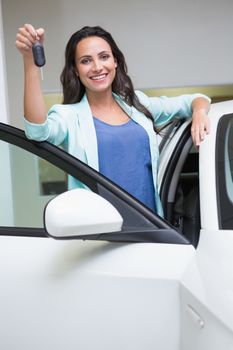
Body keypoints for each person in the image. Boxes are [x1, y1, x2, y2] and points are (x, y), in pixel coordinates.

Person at [15, 23, 211, 217]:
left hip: (153, 230)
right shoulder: (68, 116)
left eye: (104, 57)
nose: (97, 67)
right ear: (75, 69)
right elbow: (37, 131)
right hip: (102, 234)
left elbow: (194, 100)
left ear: (115, 61)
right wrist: (30, 62)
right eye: (85, 61)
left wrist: (199, 112)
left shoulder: (138, 104)